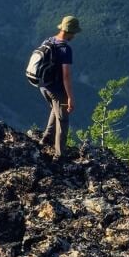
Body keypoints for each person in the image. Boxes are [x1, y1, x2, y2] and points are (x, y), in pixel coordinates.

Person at [39, 15, 81, 158]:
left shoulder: (49, 40)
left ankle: (47, 138)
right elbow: (66, 76)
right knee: (63, 120)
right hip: (56, 89)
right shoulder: (65, 49)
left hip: (43, 86)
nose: (74, 36)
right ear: (70, 32)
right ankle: (59, 155)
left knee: (55, 109)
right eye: (74, 33)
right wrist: (70, 97)